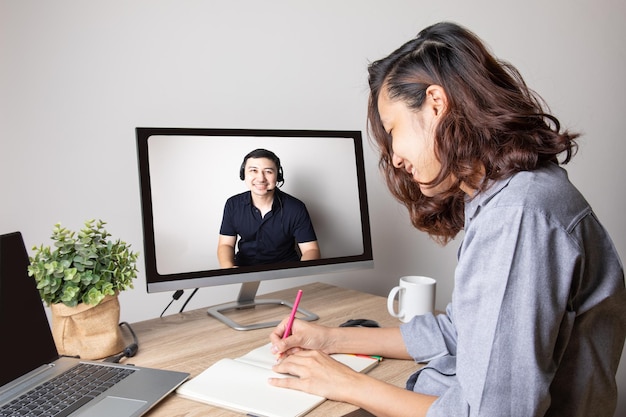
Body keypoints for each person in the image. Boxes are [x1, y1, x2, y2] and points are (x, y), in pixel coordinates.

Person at [268, 22, 626, 417]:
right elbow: (461, 332)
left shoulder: (519, 215)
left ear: (436, 104)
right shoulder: (510, 196)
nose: (396, 158)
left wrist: (343, 383)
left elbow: (493, 413)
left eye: (392, 130)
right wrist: (328, 339)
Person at [217, 148, 320, 267]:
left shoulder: (296, 207)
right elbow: (226, 245)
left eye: (268, 171)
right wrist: (229, 269)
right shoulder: (232, 204)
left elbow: (311, 250)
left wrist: (300, 273)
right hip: (244, 270)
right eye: (253, 170)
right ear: (243, 174)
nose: (261, 178)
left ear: (278, 176)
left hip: (285, 271)